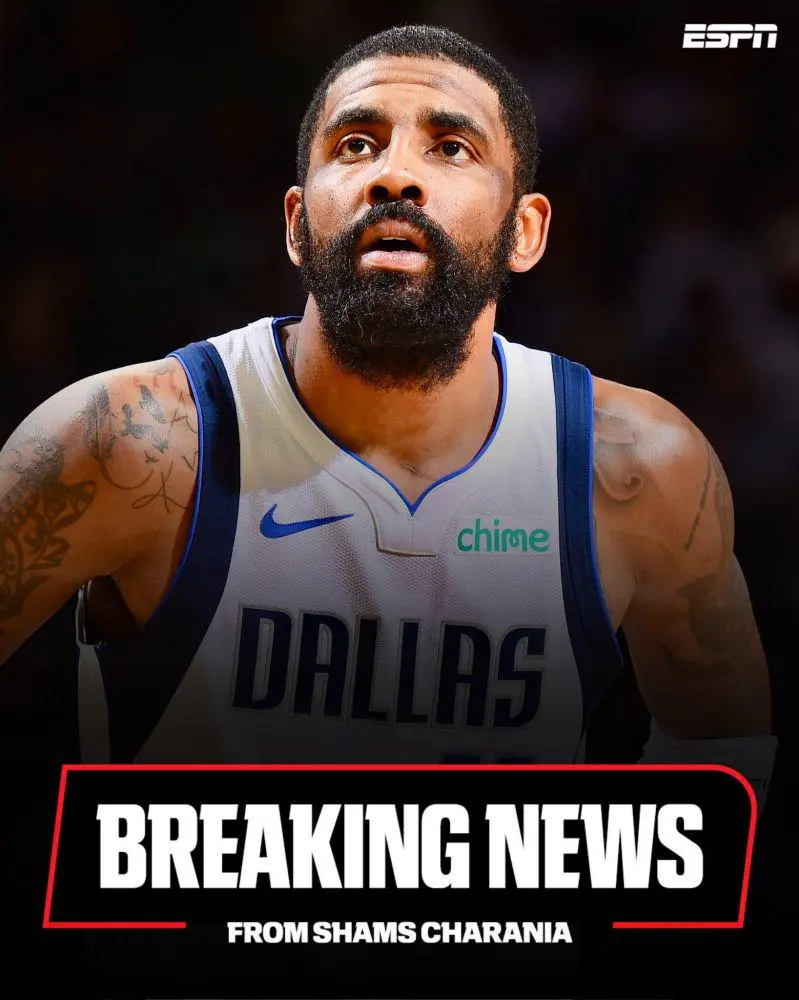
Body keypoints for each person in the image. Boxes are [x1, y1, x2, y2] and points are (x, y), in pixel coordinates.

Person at [0, 25, 776, 796]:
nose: (395, 175)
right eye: (356, 145)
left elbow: (722, 767)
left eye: (451, 148)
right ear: (296, 225)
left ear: (525, 231)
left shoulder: (636, 470)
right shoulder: (134, 442)